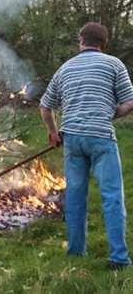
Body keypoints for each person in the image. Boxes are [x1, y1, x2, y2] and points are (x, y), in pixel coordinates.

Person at [40, 22, 133, 270]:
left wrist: (52, 133)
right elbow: (129, 102)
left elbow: (45, 106)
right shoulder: (114, 64)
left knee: (76, 196)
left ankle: (76, 251)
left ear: (82, 40)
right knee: (112, 197)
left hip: (72, 139)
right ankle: (118, 259)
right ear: (103, 44)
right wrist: (110, 113)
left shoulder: (65, 68)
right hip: (101, 138)